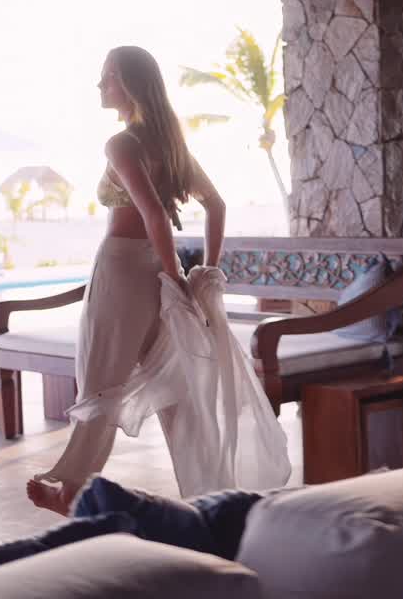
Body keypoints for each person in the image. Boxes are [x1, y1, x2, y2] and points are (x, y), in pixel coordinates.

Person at [26, 46, 289, 515]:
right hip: (153, 270)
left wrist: (177, 277)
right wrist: (201, 270)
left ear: (130, 83)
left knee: (100, 382)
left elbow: (154, 216)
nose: (100, 84)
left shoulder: (122, 144)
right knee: (177, 387)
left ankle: (71, 491)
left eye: (108, 76)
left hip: (122, 270)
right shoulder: (170, 146)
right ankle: (211, 495)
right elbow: (215, 206)